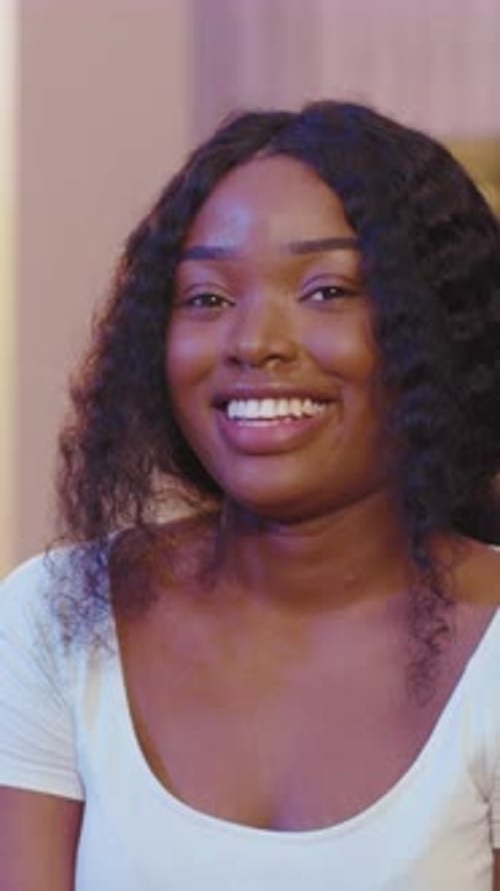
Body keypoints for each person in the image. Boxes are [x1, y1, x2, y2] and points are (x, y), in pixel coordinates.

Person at [1, 100, 500, 890]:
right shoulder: (57, 618)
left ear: (434, 330)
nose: (254, 341)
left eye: (328, 291)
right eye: (207, 297)